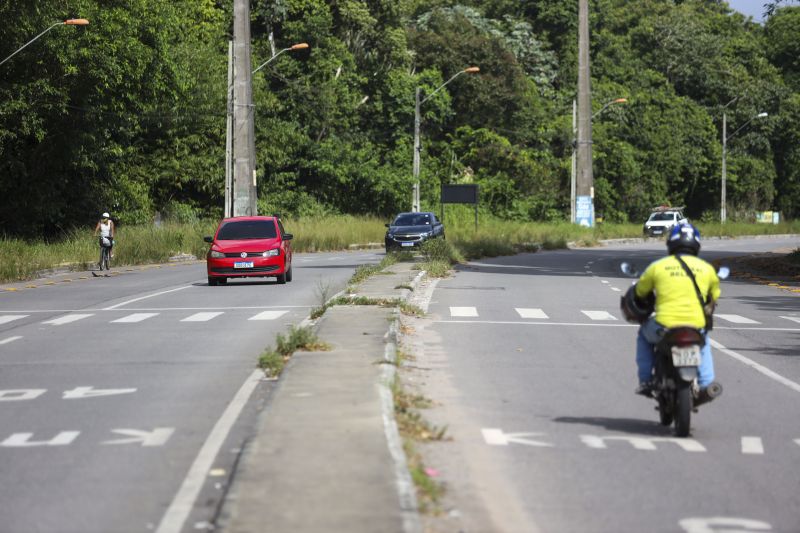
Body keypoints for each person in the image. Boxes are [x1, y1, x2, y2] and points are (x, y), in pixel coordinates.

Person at [623, 223, 722, 403]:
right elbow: (714, 296)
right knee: (704, 341)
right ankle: (707, 384)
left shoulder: (658, 266)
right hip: (694, 326)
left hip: (663, 325)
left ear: (671, 244)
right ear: (696, 245)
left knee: (643, 336)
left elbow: (640, 292)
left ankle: (645, 380)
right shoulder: (707, 269)